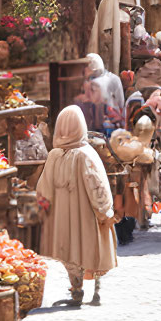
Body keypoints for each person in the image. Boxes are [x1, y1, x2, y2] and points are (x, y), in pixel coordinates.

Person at [36, 106, 119, 306]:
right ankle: (96, 287)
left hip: (61, 217)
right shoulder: (86, 154)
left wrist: (45, 212)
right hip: (86, 216)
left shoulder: (54, 155)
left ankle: (76, 289)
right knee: (92, 249)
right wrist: (105, 210)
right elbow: (97, 186)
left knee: (69, 255)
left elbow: (43, 190)